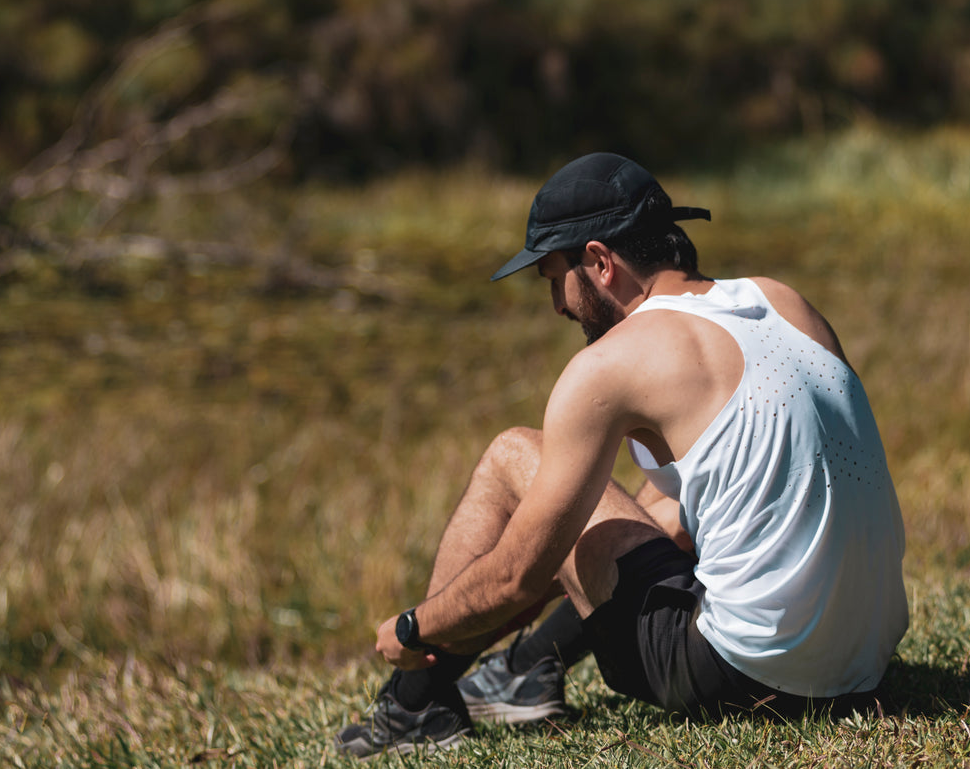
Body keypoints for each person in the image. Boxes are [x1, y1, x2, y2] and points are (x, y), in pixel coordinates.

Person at [335, 153, 908, 757]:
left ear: (601, 262)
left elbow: (516, 574)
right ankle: (528, 669)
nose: (558, 305)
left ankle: (414, 701)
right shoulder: (783, 302)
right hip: (865, 669)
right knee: (666, 501)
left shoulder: (612, 362)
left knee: (512, 455)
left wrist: (412, 628)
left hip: (747, 677)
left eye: (555, 278)